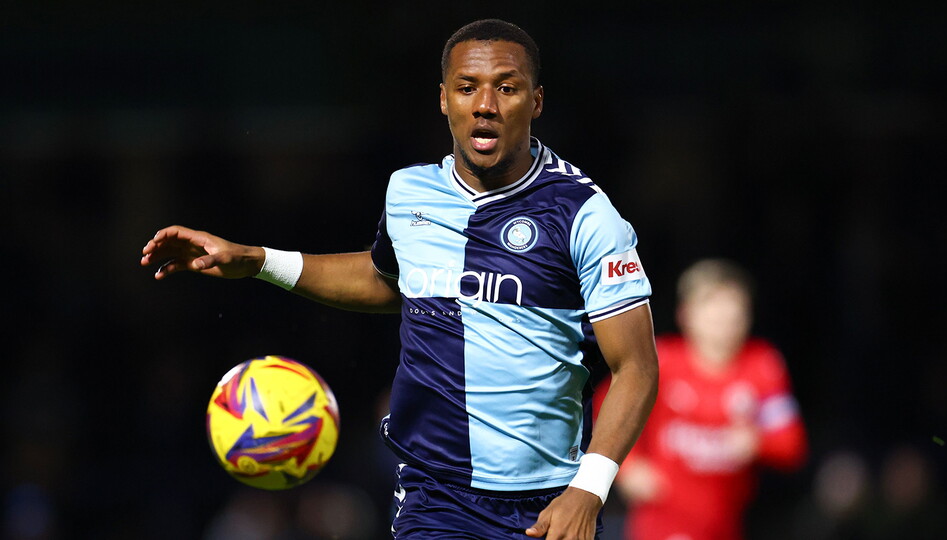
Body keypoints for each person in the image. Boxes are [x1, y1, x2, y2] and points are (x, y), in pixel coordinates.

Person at [141, 19, 659, 540]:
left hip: (549, 501)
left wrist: (588, 490)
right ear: (444, 99)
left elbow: (636, 367)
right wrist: (257, 260)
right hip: (434, 495)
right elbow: (387, 280)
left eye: (507, 88)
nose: (485, 105)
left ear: (536, 101)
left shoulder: (584, 214)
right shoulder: (408, 193)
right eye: (467, 88)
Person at [594, 259, 807, 540]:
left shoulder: (763, 365)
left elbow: (792, 444)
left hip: (730, 521)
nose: (723, 316)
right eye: (712, 305)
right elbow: (605, 409)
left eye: (732, 306)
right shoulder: (661, 361)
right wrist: (627, 467)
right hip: (664, 519)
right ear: (686, 314)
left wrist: (757, 442)